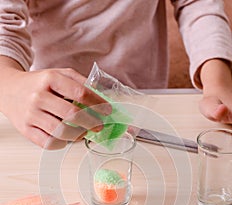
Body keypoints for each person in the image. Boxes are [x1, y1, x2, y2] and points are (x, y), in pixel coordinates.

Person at [0, 0, 232, 149]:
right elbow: (5, 24)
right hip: (50, 108)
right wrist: (9, 84)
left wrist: (217, 78)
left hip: (143, 97)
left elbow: (197, 4)